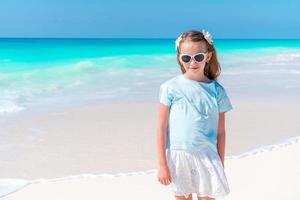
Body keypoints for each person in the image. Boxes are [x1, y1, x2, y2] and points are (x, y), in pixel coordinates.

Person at [156, 30, 233, 200]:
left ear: (208, 56)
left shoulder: (217, 91)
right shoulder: (170, 87)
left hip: (207, 155)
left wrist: (220, 163)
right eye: (186, 58)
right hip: (178, 156)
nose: (192, 62)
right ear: (179, 58)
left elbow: (221, 132)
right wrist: (162, 164)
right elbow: (161, 128)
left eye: (198, 57)